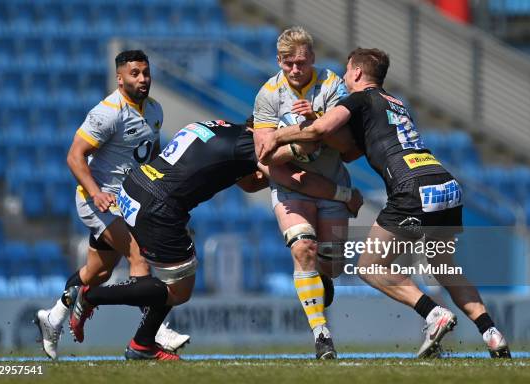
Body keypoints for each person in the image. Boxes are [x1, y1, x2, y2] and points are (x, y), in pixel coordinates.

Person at [256, 48, 512, 358]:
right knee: (444, 267)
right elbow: (346, 143)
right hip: (444, 183)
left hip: (412, 189)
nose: (345, 78)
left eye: (348, 72)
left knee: (370, 266)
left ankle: (434, 314)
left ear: (359, 74)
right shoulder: (397, 102)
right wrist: (315, 119)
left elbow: (324, 130)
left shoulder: (359, 99)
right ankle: (492, 333)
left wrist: (278, 137)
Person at [67, 118, 364, 360]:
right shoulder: (252, 145)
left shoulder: (218, 127)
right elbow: (297, 180)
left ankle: (143, 344)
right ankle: (91, 296)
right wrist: (343, 194)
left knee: (171, 275)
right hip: (160, 206)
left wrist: (262, 174)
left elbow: (245, 182)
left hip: (135, 187)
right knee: (179, 291)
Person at [34, 50, 188, 360]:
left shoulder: (155, 110)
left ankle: (52, 318)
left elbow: (151, 158)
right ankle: (154, 333)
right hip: (99, 201)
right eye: (135, 74)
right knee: (139, 253)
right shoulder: (108, 112)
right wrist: (96, 193)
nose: (143, 79)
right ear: (120, 79)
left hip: (130, 202)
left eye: (145, 73)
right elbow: (74, 156)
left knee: (97, 273)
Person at [252, 26, 361, 360]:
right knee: (303, 248)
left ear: (312, 57)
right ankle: (321, 335)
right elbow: (263, 156)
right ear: (279, 61)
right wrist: (304, 141)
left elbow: (348, 147)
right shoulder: (268, 94)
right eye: (288, 63)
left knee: (333, 265)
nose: (295, 69)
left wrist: (314, 125)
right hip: (289, 186)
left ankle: (319, 286)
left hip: (330, 183)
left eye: (301, 62)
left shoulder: (331, 85)